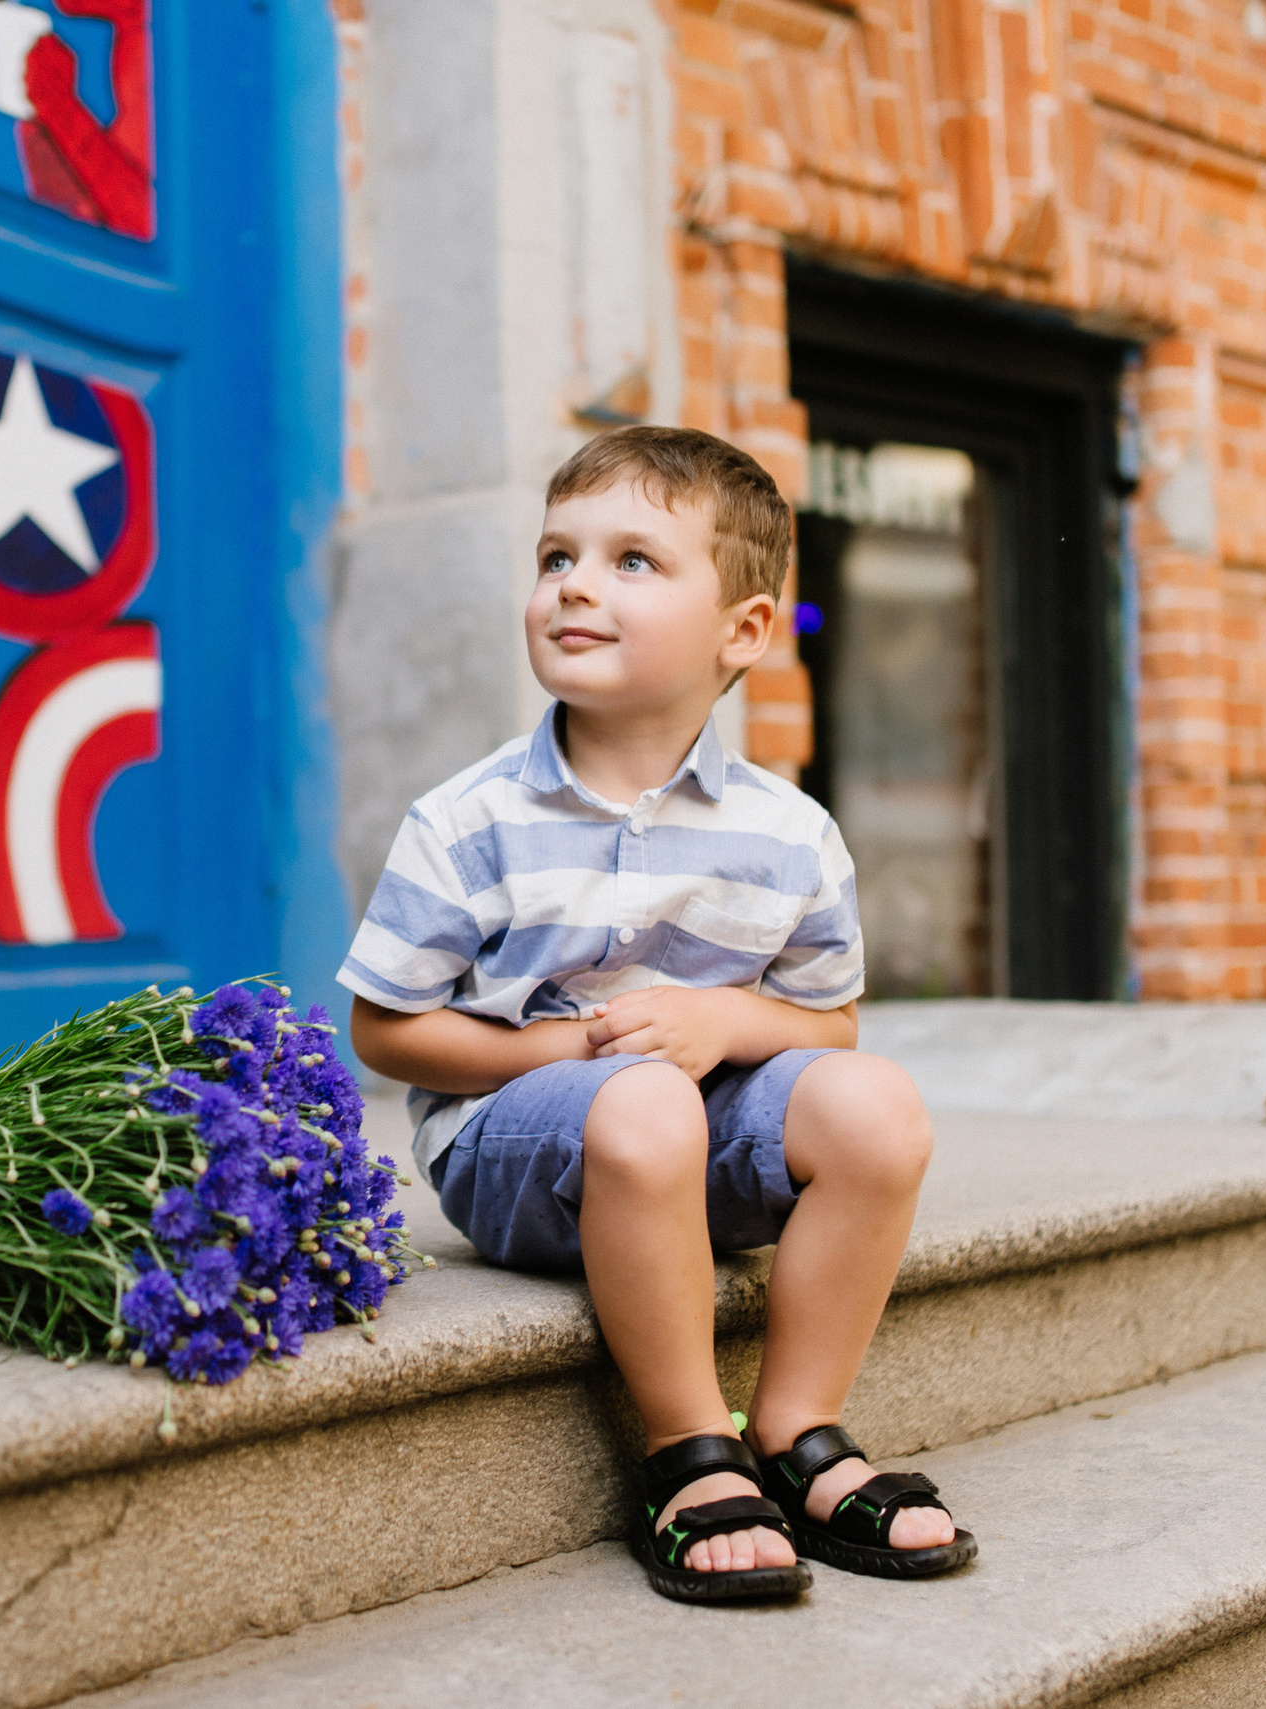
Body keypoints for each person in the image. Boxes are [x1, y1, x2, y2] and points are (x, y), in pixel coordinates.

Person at [338, 425, 975, 1605]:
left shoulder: (788, 833)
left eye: (632, 559)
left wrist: (728, 1021)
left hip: (697, 1137)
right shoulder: (468, 819)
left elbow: (828, 1021)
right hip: (519, 1156)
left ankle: (798, 1429)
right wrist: (559, 1047)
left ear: (742, 630)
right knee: (638, 1102)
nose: (573, 582)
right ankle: (689, 1448)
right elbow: (384, 1029)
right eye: (554, 556)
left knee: (876, 1106)